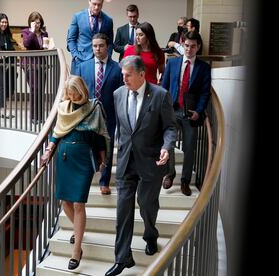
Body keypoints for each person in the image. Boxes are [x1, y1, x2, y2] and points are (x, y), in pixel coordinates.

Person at [105, 55, 177, 276]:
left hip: (150, 162)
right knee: (122, 211)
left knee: (146, 205)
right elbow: (121, 127)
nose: (123, 79)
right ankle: (122, 257)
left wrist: (167, 146)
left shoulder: (160, 95)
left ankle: (150, 235)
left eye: (128, 75)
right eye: (122, 75)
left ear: (141, 74)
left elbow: (170, 127)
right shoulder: (118, 94)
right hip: (127, 162)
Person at [40, 75, 110, 270]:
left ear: (82, 91)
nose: (71, 96)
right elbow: (57, 131)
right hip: (64, 157)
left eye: (74, 93)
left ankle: (77, 250)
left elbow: (99, 136)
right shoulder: (64, 107)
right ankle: (78, 231)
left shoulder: (93, 107)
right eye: (69, 93)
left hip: (83, 158)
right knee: (65, 202)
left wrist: (103, 159)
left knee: (79, 203)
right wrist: (48, 151)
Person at [161, 31, 211, 196]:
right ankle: (170, 173)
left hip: (190, 113)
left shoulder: (204, 68)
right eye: (187, 45)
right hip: (172, 110)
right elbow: (164, 87)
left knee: (189, 148)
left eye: (193, 46)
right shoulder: (173, 63)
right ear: (182, 44)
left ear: (198, 47)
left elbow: (205, 93)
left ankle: (185, 181)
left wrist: (199, 111)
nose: (189, 49)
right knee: (169, 144)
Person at [77, 33, 123, 195]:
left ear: (108, 46)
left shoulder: (117, 68)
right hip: (88, 114)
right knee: (87, 147)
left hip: (109, 115)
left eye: (101, 45)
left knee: (107, 149)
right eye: (95, 46)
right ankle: (85, 179)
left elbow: (121, 94)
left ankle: (104, 182)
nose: (97, 49)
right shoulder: (83, 66)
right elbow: (79, 91)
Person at [67, 0, 114, 75]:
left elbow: (110, 43)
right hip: (80, 59)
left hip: (100, 61)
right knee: (78, 86)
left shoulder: (108, 20)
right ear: (89, 2)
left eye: (99, 5)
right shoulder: (78, 16)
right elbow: (71, 39)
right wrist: (75, 55)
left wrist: (108, 56)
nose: (96, 7)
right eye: (94, 4)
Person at [22, 11, 53, 123]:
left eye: (39, 23)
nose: (37, 25)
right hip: (30, 65)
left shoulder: (45, 33)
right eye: (35, 23)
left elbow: (45, 47)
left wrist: (49, 47)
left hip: (41, 65)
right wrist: (33, 32)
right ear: (30, 23)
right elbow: (26, 44)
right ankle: (33, 117)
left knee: (40, 90)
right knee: (34, 90)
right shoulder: (26, 32)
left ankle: (40, 117)